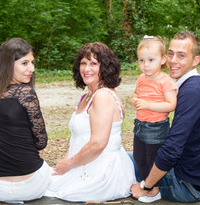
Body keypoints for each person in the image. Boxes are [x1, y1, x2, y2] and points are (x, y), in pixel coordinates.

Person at [131, 31, 200, 203]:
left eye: (181, 56)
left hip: (187, 185)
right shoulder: (187, 86)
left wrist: (146, 187)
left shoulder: (193, 91)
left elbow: (172, 150)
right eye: (170, 54)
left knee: (119, 162)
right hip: (192, 178)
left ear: (195, 61)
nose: (172, 61)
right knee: (129, 156)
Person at [45, 42, 136, 202]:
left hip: (101, 170)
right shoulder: (87, 96)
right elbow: (77, 139)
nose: (86, 69)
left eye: (93, 63)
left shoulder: (103, 96)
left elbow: (98, 144)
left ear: (105, 67)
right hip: (83, 163)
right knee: (42, 179)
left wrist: (68, 165)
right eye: (83, 63)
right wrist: (65, 163)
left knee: (44, 188)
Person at [0, 38, 50, 204]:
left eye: (32, 62)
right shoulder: (26, 93)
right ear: (6, 65)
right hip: (30, 186)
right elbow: (41, 143)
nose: (31, 68)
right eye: (24, 63)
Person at [131, 35, 177, 203]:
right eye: (142, 60)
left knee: (153, 160)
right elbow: (137, 94)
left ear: (163, 59)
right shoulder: (141, 78)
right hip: (140, 126)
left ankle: (154, 190)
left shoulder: (165, 80)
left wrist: (148, 105)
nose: (146, 65)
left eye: (151, 60)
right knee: (139, 157)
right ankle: (146, 184)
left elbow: (171, 105)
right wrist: (135, 99)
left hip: (157, 127)